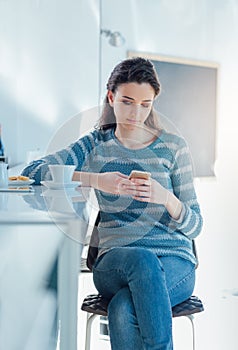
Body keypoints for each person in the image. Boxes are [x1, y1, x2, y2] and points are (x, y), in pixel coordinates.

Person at [22, 57, 203, 349]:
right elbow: (32, 174)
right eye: (128, 101)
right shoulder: (95, 144)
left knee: (122, 309)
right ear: (111, 97)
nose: (136, 113)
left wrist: (166, 198)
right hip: (115, 262)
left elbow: (195, 225)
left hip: (174, 264)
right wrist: (94, 179)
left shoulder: (173, 147)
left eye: (146, 104)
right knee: (141, 260)